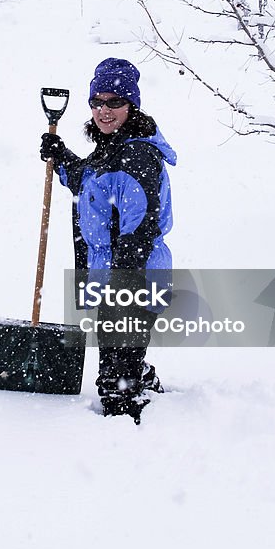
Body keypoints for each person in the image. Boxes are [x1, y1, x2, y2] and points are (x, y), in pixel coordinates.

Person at [39, 58, 177, 424]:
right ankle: (140, 379)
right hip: (111, 277)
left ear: (131, 105)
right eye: (97, 102)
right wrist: (62, 157)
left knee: (115, 383)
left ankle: (130, 438)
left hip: (133, 277)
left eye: (114, 101)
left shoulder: (137, 154)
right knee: (118, 363)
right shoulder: (110, 147)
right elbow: (90, 184)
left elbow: (140, 227)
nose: (104, 110)